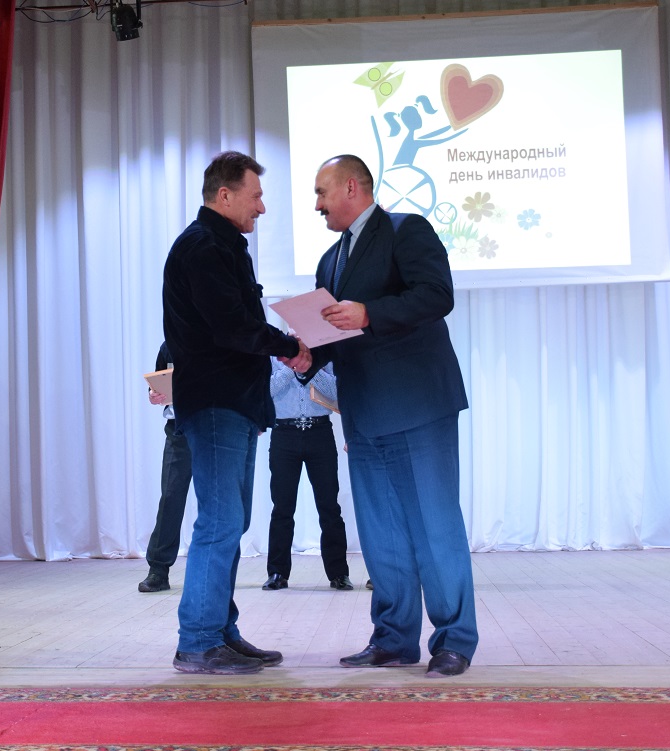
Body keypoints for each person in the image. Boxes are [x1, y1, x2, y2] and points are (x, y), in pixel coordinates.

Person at [305, 154, 475, 678]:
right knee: (381, 534)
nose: (317, 205)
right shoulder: (329, 260)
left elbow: (437, 295)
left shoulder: (405, 229)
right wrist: (307, 353)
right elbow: (336, 333)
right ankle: (394, 638)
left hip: (417, 404)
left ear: (351, 187)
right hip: (363, 411)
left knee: (435, 526)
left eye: (322, 193)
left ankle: (453, 641)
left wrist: (370, 312)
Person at [161, 150, 311, 675]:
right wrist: (288, 345)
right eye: (256, 196)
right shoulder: (203, 247)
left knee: (231, 519)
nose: (262, 208)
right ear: (224, 195)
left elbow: (234, 323)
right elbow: (230, 326)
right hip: (217, 402)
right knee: (221, 520)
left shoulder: (222, 246)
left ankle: (220, 632)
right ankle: (198, 642)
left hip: (234, 403)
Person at [262, 360, 353, 591]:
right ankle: (277, 572)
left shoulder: (324, 353)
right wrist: (291, 364)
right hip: (284, 432)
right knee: (282, 507)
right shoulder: (274, 354)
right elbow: (266, 390)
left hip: (320, 431)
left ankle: (339, 573)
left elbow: (336, 392)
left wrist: (310, 366)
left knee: (329, 506)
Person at [138, 341, 192, 593]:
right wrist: (153, 394)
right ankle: (158, 569)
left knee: (220, 500)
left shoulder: (219, 336)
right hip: (179, 429)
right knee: (171, 496)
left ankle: (219, 568)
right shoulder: (169, 345)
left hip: (215, 428)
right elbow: (158, 383)